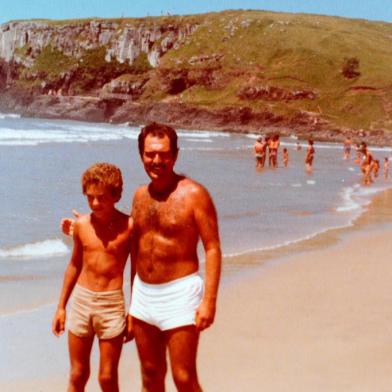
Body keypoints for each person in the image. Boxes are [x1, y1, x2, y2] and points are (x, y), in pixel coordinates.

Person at [62, 122, 222, 392]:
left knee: (184, 377)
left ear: (175, 155)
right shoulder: (139, 196)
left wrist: (209, 301)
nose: (156, 160)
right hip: (145, 296)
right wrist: (86, 225)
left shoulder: (195, 195)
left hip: (180, 293)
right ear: (141, 155)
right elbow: (127, 241)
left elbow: (213, 248)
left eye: (163, 154)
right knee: (150, 375)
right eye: (150, 154)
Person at [53, 163, 134, 392]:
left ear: (116, 195)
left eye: (101, 198)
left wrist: (134, 313)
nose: (95, 203)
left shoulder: (129, 227)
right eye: (90, 198)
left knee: (107, 378)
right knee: (78, 374)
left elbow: (136, 272)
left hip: (111, 304)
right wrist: (61, 307)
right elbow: (74, 265)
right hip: (81, 302)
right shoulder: (81, 225)